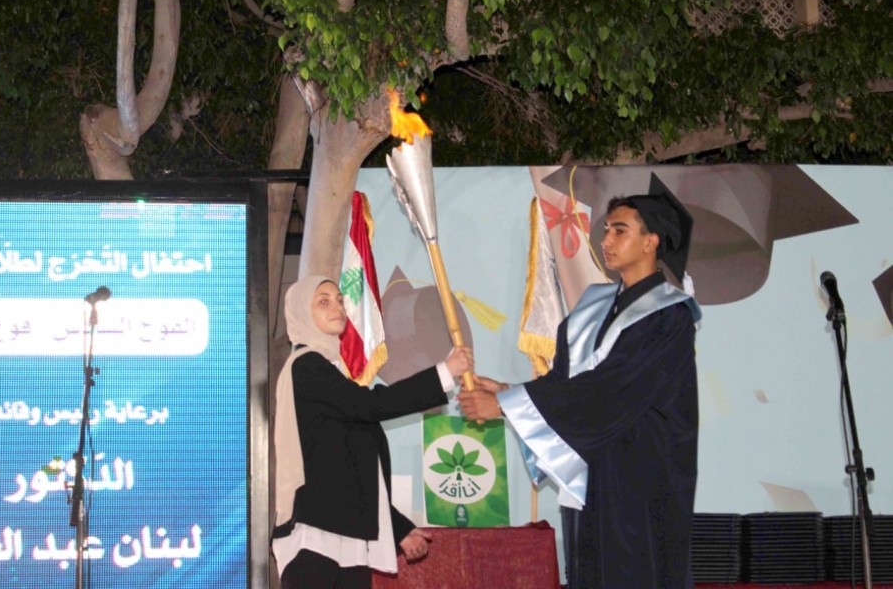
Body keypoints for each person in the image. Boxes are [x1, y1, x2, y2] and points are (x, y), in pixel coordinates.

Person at [458, 175, 702, 588]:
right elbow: (568, 380)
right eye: (606, 230)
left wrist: (507, 405)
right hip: (591, 474)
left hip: (639, 481)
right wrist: (507, 391)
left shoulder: (668, 316)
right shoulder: (594, 307)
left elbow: (611, 388)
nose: (606, 240)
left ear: (651, 242)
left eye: (620, 231)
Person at [273, 274, 474, 589]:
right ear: (300, 311)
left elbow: (352, 471)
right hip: (314, 537)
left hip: (347, 539)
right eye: (323, 301)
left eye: (340, 300)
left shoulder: (332, 375)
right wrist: (443, 373)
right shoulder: (306, 366)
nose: (337, 307)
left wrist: (399, 528)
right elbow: (370, 406)